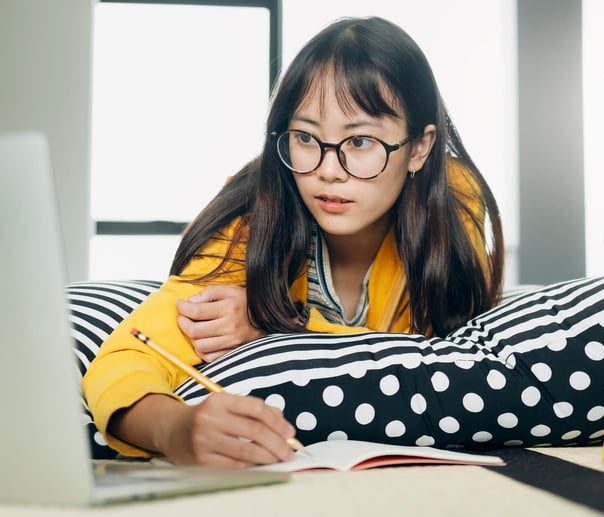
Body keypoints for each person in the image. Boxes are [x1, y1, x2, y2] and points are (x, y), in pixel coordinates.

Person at [83, 16, 504, 468]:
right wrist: (176, 430)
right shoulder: (251, 215)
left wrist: (276, 328)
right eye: (305, 137)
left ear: (419, 148)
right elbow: (130, 353)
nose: (328, 169)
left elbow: (429, 358)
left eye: (359, 140)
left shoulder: (453, 203)